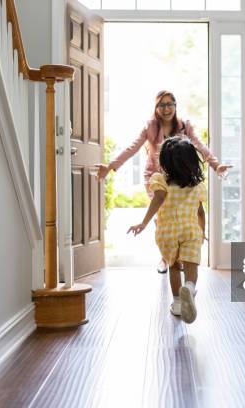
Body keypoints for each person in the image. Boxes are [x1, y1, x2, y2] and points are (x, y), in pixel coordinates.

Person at [96, 90, 231, 273]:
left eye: (170, 104)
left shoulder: (184, 126)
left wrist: (216, 165)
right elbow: (132, 148)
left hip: (181, 176)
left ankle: (184, 252)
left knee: (185, 212)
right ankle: (166, 257)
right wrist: (110, 165)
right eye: (162, 105)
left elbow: (199, 145)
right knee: (161, 215)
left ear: (175, 106)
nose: (166, 109)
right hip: (156, 176)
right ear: (156, 107)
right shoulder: (150, 127)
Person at [128, 137, 206, 323]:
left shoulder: (159, 180)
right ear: (191, 161)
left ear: (165, 160)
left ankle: (178, 303)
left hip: (167, 233)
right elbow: (200, 212)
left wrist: (144, 223)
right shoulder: (197, 186)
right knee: (191, 265)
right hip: (190, 231)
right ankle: (189, 286)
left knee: (173, 266)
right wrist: (202, 231)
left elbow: (159, 198)